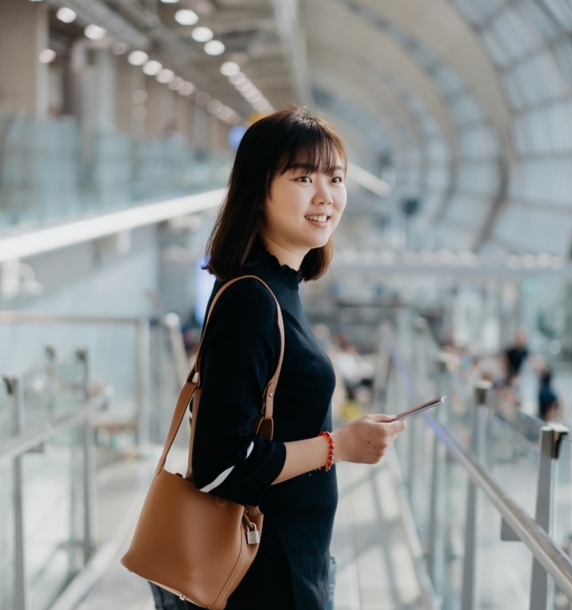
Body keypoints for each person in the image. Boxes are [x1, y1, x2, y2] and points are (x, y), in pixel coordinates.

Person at [153, 108, 406, 610]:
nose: (325, 196)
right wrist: (339, 446)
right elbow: (219, 464)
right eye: (302, 177)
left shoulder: (279, 287)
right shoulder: (253, 298)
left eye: (335, 178)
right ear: (257, 188)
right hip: (262, 580)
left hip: (293, 563)